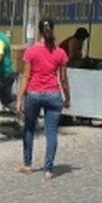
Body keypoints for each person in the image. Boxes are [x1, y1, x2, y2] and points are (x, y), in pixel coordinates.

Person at [16, 19, 70, 180]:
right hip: (53, 95)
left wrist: (19, 99)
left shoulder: (31, 52)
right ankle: (48, 169)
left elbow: (26, 77)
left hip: (34, 94)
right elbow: (64, 80)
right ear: (52, 30)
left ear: (39, 32)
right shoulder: (60, 53)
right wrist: (67, 98)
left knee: (29, 128)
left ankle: (27, 164)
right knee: (51, 132)